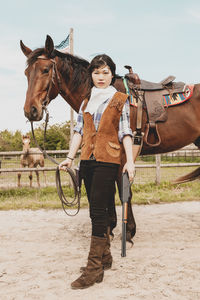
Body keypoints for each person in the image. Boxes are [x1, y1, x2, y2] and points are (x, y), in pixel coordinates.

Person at [59, 54, 135, 289]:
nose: (100, 77)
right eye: (96, 72)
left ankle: (93, 269)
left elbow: (126, 132)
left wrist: (129, 162)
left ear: (112, 74)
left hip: (108, 159)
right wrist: (70, 157)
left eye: (105, 73)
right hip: (87, 161)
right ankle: (106, 258)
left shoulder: (120, 99)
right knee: (95, 210)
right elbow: (79, 131)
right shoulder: (86, 101)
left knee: (99, 214)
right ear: (90, 74)